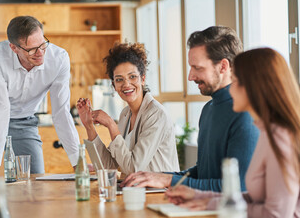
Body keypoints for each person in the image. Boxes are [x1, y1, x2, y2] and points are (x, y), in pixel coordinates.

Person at [165, 48, 300, 217]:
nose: (230, 89)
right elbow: (256, 199)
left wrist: (213, 203)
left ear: (254, 88)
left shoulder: (280, 138)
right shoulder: (267, 132)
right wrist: (200, 197)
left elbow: (275, 214)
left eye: (235, 81)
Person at [121, 26, 259, 191]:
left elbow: (237, 188)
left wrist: (168, 181)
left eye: (198, 68)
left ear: (223, 66)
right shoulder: (209, 109)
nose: (190, 76)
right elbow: (203, 173)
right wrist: (157, 177)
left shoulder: (246, 114)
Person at [0, 16, 80, 175]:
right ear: (14, 48)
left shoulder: (59, 59)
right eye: (31, 49)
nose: (40, 53)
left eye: (42, 44)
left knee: (35, 178)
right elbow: (0, 108)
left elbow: (61, 112)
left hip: (24, 118)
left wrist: (77, 163)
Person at [76, 42, 180, 175]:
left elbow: (133, 169)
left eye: (132, 77)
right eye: (119, 80)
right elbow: (108, 167)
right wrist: (89, 126)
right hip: (136, 191)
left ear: (142, 79)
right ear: (114, 86)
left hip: (159, 193)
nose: (126, 84)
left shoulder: (156, 115)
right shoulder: (125, 114)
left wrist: (111, 125)